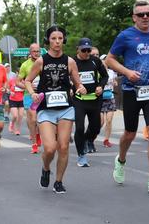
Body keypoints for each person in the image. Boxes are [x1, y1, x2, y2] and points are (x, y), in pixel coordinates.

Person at [105, 0, 149, 194]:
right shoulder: (125, 36)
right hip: (131, 90)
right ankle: (121, 159)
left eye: (148, 14)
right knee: (130, 133)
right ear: (134, 17)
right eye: (141, 14)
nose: (145, 17)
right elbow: (109, 60)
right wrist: (127, 72)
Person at [25, 25, 86, 193]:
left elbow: (78, 82)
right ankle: (46, 168)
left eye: (60, 38)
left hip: (66, 107)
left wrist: (81, 88)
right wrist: (33, 93)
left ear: (64, 40)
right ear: (48, 41)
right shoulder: (41, 61)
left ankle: (58, 181)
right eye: (53, 39)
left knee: (64, 146)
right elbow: (28, 80)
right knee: (50, 148)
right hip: (46, 109)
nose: (57, 42)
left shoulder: (70, 61)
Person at [73, 38, 108, 167]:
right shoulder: (72, 62)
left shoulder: (95, 61)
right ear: (78, 49)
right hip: (79, 100)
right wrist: (74, 88)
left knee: (96, 127)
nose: (87, 53)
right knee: (80, 128)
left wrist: (101, 86)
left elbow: (105, 76)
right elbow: (66, 79)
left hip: (94, 99)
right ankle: (81, 155)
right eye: (84, 50)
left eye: (89, 50)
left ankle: (88, 140)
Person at [17, 44, 42, 153]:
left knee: (40, 119)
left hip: (42, 94)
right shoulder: (25, 65)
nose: (36, 53)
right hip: (29, 95)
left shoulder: (44, 62)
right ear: (30, 52)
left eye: (38, 51)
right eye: (34, 51)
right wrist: (28, 86)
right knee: (32, 119)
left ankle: (38, 134)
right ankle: (34, 144)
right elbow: (17, 82)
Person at [100, 54, 118, 148]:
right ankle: (92, 136)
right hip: (100, 98)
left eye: (106, 60)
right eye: (103, 60)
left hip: (110, 96)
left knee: (109, 120)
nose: (105, 62)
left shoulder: (112, 72)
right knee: (101, 122)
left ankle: (106, 140)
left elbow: (115, 82)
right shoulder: (98, 72)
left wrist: (115, 83)